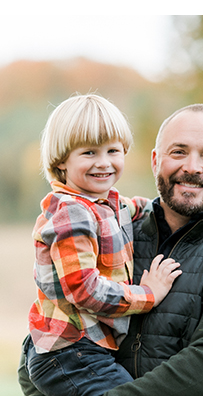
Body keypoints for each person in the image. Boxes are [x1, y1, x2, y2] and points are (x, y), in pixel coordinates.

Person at [19, 103, 203, 396]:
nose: (192, 167)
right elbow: (39, 360)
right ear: (155, 161)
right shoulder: (115, 232)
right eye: (178, 152)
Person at [23, 94, 183, 396]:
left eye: (113, 150)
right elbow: (84, 289)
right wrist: (148, 295)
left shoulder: (105, 203)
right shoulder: (71, 213)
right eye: (88, 153)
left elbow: (137, 207)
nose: (104, 162)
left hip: (88, 350)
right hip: (70, 354)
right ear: (60, 161)